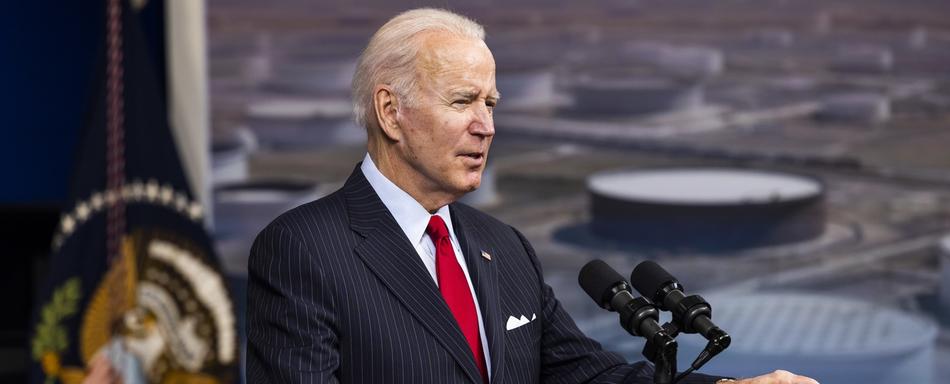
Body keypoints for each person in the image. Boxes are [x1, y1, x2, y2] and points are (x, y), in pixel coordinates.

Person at [246, 8, 818, 384]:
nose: (486, 126)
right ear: (391, 112)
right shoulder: (303, 249)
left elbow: (584, 374)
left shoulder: (504, 247)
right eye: (463, 101)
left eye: (490, 104)